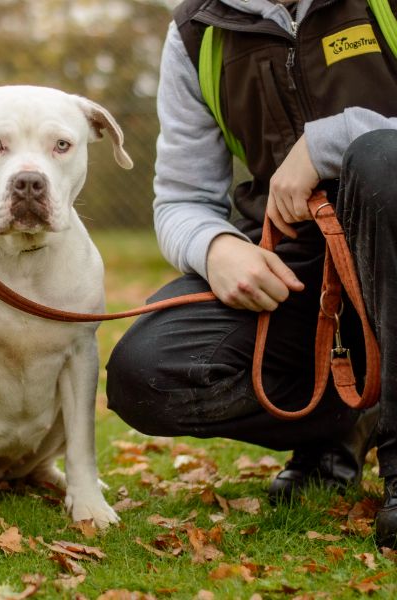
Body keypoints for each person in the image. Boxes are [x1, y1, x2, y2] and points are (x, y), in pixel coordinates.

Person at [105, 0, 397, 547]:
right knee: (146, 374)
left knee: (382, 160)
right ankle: (344, 421)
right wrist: (216, 248)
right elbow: (180, 199)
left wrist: (333, 141)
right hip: (302, 266)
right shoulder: (197, 32)